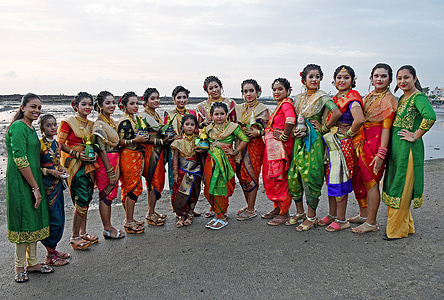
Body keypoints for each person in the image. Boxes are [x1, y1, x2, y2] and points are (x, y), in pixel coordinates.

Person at [382, 65, 436, 240]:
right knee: (395, 185)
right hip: (397, 151)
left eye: (406, 77)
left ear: (415, 78)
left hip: (409, 151)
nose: (402, 81)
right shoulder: (402, 99)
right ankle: (406, 225)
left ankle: (396, 230)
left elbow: (430, 116)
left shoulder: (417, 97)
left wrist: (415, 135)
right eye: (399, 78)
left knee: (402, 188)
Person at [287, 64, 342, 230]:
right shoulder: (298, 98)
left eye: (317, 76)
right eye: (311, 76)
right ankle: (300, 212)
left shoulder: (322, 96)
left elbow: (337, 112)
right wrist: (294, 132)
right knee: (294, 175)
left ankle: (311, 216)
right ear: (303, 79)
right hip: (299, 140)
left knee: (310, 176)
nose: (314, 80)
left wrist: (324, 128)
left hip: (314, 142)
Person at [6, 93, 53, 283]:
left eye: (39, 108)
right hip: (21, 182)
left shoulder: (31, 128)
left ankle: (32, 263)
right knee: (23, 220)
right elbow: (20, 159)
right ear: (22, 107)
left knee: (33, 219)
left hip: (33, 179)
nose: (37, 111)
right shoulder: (18, 128)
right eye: (33, 106)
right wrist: (35, 188)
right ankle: (19, 267)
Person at [350, 63, 398, 233]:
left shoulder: (388, 100)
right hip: (362, 142)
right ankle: (364, 215)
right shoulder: (369, 96)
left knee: (371, 183)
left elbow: (386, 129)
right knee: (359, 179)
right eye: (376, 76)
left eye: (383, 76)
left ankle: (371, 223)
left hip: (376, 144)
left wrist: (381, 153)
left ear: (390, 79)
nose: (379, 79)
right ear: (371, 78)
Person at [321, 65, 364, 232]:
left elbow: (359, 120)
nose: (342, 80)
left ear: (352, 81)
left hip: (342, 143)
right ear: (334, 80)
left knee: (339, 179)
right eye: (339, 77)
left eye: (346, 77)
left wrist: (349, 134)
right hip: (331, 141)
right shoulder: (336, 98)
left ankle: (341, 219)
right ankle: (332, 214)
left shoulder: (352, 98)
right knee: (330, 178)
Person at [58, 92, 97, 250]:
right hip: (75, 165)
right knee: (80, 198)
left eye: (90, 104)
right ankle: (74, 236)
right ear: (75, 106)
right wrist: (75, 153)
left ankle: (83, 232)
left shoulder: (92, 124)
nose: (87, 107)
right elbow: (60, 144)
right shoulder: (68, 122)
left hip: (89, 165)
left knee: (87, 197)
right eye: (84, 104)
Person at [203, 102, 249, 229]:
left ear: (226, 114)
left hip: (226, 161)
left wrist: (235, 151)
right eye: (216, 114)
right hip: (211, 160)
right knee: (209, 186)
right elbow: (202, 142)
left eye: (222, 114)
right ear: (211, 115)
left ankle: (221, 216)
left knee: (221, 187)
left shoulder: (232, 127)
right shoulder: (207, 129)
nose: (219, 117)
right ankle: (217, 211)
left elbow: (245, 139)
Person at [196, 76, 237, 218]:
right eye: (210, 88)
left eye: (216, 86)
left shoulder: (230, 103)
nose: (214, 90)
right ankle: (212, 206)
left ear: (221, 86)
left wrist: (236, 151)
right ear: (206, 90)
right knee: (208, 178)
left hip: (225, 148)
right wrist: (206, 124)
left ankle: (221, 209)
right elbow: (198, 126)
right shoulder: (201, 107)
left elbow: (235, 124)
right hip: (208, 145)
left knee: (223, 179)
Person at [262, 78, 296, 225]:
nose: (277, 92)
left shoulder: (286, 103)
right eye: (274, 89)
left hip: (280, 148)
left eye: (280, 89)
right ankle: (277, 207)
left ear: (288, 90)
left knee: (279, 178)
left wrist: (284, 135)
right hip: (273, 147)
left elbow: (291, 119)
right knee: (272, 177)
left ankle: (284, 213)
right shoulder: (280, 104)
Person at [234, 79, 269, 220]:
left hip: (255, 146)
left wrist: (258, 132)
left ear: (257, 92)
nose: (248, 94)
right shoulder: (238, 108)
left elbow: (270, 128)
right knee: (241, 175)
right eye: (245, 91)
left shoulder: (263, 109)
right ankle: (249, 204)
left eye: (251, 91)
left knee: (251, 175)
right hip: (239, 145)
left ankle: (251, 209)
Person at [93, 91, 125, 239]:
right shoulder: (99, 124)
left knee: (111, 195)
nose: (112, 105)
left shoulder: (110, 121)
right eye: (108, 103)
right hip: (106, 162)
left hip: (114, 158)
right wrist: (110, 170)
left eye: (113, 102)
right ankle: (106, 228)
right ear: (100, 105)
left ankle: (109, 226)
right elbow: (101, 149)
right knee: (105, 195)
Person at [39, 114, 70, 266]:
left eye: (54, 125)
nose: (53, 128)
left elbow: (57, 162)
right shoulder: (39, 145)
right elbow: (35, 167)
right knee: (54, 220)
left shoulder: (57, 144)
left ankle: (53, 250)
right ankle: (49, 257)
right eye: (48, 125)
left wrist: (61, 169)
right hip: (47, 186)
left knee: (61, 217)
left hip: (58, 184)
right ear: (42, 129)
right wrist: (50, 172)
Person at [140, 87, 173, 225]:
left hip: (159, 150)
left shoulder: (157, 114)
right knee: (155, 181)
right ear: (146, 102)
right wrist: (160, 140)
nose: (156, 101)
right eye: (153, 98)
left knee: (151, 182)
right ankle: (150, 213)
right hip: (150, 151)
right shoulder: (143, 116)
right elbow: (142, 137)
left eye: (158, 98)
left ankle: (151, 211)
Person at [117, 91, 149, 234]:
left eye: (137, 103)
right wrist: (135, 141)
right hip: (129, 156)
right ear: (124, 105)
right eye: (132, 103)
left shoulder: (134, 119)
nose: (135, 106)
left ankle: (129, 218)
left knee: (132, 188)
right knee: (131, 189)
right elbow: (120, 142)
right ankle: (128, 222)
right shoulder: (125, 121)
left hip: (135, 155)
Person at [164, 86, 197, 196]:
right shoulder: (169, 114)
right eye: (179, 97)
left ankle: (190, 207)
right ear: (173, 99)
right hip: (175, 149)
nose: (182, 100)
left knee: (192, 178)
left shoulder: (192, 113)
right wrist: (174, 137)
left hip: (191, 149)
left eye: (184, 97)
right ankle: (178, 209)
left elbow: (196, 130)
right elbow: (165, 133)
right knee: (176, 178)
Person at [170, 114, 203, 227]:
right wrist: (174, 172)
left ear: (196, 126)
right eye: (187, 124)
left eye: (192, 124)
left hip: (196, 171)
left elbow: (202, 156)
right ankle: (181, 215)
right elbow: (175, 157)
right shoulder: (178, 141)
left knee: (194, 192)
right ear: (182, 126)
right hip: (182, 171)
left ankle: (190, 214)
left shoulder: (199, 141)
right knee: (180, 192)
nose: (189, 127)